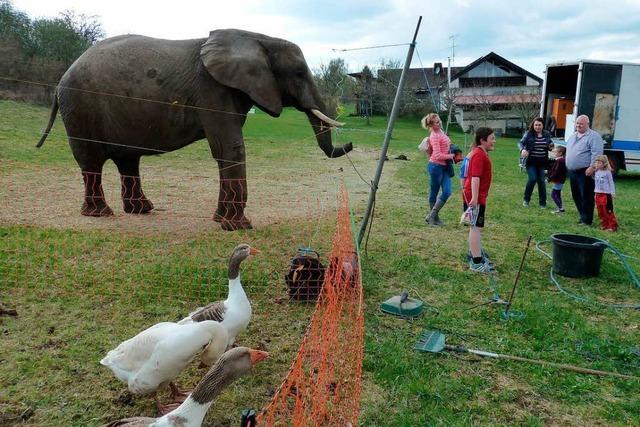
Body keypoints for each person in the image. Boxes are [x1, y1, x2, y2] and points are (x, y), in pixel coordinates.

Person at [463, 127, 495, 273]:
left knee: (476, 227)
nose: (494, 141)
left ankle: (474, 252)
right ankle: (476, 262)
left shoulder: (480, 153)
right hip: (475, 197)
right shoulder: (478, 155)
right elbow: (475, 178)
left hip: (476, 196)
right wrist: (475, 198)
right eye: (492, 138)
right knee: (476, 227)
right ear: (483, 140)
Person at [565, 115, 604, 225]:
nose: (578, 125)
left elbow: (597, 153)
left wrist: (592, 167)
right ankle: (582, 216)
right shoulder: (573, 136)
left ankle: (587, 220)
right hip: (573, 171)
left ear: (588, 124)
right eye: (577, 123)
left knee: (586, 195)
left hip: (585, 172)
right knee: (576, 195)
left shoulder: (594, 136)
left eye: (581, 123)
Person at [419, 113, 454, 226]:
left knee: (447, 191)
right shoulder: (434, 136)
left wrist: (453, 149)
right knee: (434, 191)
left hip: (445, 167)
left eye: (439, 121)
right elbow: (437, 155)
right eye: (437, 122)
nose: (440, 123)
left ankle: (432, 216)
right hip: (436, 166)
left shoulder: (441, 131)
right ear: (431, 125)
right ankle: (434, 218)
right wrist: (451, 156)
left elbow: (446, 145)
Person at [520, 117, 553, 208]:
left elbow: (550, 143)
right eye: (536, 125)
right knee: (532, 179)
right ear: (533, 125)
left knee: (542, 181)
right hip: (531, 162)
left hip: (542, 162)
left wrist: (551, 145)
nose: (537, 127)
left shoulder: (546, 134)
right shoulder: (529, 134)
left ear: (542, 126)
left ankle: (542, 203)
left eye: (539, 125)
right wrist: (522, 150)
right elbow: (521, 143)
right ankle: (526, 200)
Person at [593, 154, 618, 232]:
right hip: (598, 194)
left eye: (599, 163)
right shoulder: (596, 172)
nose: (597, 164)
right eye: (596, 162)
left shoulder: (607, 172)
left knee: (607, 210)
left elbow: (611, 183)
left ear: (604, 164)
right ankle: (605, 225)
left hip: (606, 194)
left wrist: (612, 193)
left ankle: (612, 226)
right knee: (600, 210)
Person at [547, 145, 567, 213]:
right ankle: (560, 208)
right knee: (557, 194)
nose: (554, 154)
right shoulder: (560, 160)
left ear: (560, 153)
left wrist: (549, 179)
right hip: (560, 180)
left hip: (558, 180)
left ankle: (560, 208)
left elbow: (556, 171)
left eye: (556, 152)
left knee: (553, 195)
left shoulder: (560, 161)